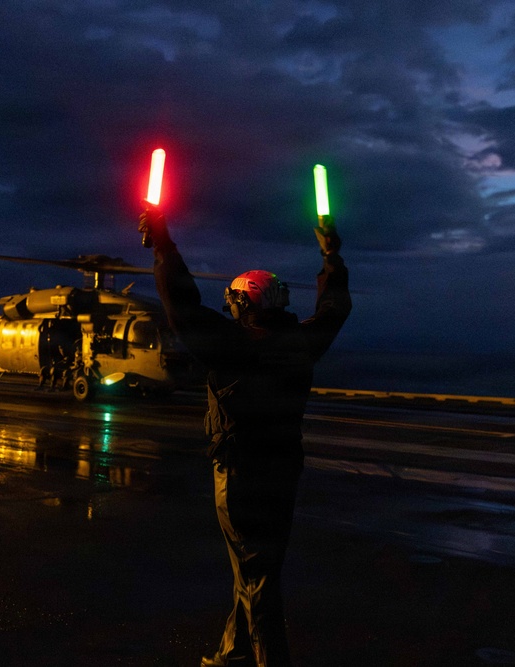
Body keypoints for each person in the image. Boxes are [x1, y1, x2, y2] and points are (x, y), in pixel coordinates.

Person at [139, 205, 351, 667]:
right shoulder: (302, 341)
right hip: (284, 470)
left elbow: (181, 303)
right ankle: (231, 652)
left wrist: (163, 244)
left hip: (240, 474)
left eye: (233, 302)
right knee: (256, 566)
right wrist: (331, 254)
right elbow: (335, 308)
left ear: (244, 304)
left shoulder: (232, 345)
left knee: (256, 574)